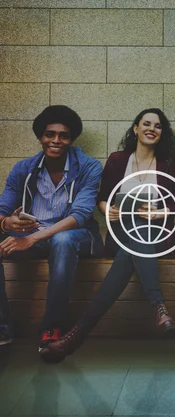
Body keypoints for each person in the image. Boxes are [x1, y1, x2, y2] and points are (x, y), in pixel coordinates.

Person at [39, 108, 175, 363]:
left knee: (139, 239)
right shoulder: (119, 160)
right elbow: (102, 198)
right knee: (134, 243)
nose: (152, 128)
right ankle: (159, 309)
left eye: (158, 126)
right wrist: (109, 210)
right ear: (136, 128)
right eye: (146, 123)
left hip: (157, 235)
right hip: (121, 233)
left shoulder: (169, 162)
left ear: (162, 133)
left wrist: (159, 213)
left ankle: (76, 334)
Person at [0, 105, 103, 353]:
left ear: (71, 139)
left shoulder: (89, 167)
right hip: (33, 236)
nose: (56, 140)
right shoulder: (23, 169)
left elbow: (79, 215)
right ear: (40, 137)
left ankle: (53, 327)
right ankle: (3, 327)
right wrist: (7, 223)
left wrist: (31, 239)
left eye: (63, 135)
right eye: (50, 134)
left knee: (63, 240)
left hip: (77, 237)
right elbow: (3, 208)